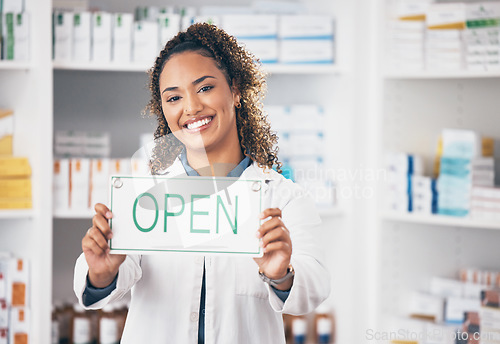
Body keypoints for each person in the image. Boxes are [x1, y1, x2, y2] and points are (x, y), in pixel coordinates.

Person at [74, 23, 330, 343]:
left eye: (205, 88)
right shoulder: (144, 192)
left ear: (235, 90)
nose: (191, 108)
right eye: (174, 97)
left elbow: (315, 286)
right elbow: (105, 285)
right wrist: (102, 272)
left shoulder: (282, 197)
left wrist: (281, 275)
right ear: (163, 110)